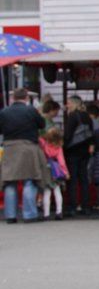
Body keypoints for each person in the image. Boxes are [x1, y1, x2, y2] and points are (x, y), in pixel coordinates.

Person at [0, 88, 49, 224]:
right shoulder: (31, 111)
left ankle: (10, 215)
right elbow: (42, 124)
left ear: (13, 98)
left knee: (10, 182)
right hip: (29, 148)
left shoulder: (4, 112)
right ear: (27, 98)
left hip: (10, 148)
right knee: (30, 180)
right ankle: (29, 215)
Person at [63, 95, 93, 215]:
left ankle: (73, 206)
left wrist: (64, 147)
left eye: (68, 103)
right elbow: (91, 133)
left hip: (73, 151)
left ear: (74, 104)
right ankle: (86, 206)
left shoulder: (72, 116)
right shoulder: (87, 116)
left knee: (73, 180)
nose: (67, 105)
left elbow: (68, 135)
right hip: (85, 151)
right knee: (84, 178)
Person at [39, 127, 69, 220]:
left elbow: (39, 139)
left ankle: (46, 214)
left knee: (47, 192)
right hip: (56, 171)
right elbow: (61, 161)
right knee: (57, 191)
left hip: (46, 170)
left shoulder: (44, 144)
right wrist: (66, 172)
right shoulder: (58, 147)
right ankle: (59, 212)